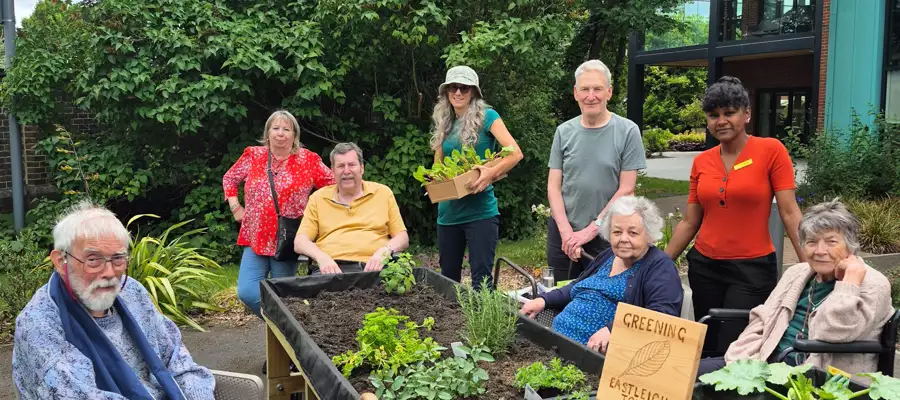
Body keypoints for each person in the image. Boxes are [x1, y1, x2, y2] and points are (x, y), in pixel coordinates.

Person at [12, 201, 215, 399]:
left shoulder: (133, 292)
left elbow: (179, 363)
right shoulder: (39, 323)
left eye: (118, 258)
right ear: (60, 260)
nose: (109, 273)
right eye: (93, 260)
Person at [664, 76, 805, 353]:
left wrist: (810, 267)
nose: (721, 121)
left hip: (751, 271)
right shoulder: (702, 161)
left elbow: (790, 212)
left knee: (733, 348)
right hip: (704, 267)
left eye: (729, 113)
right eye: (713, 115)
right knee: (705, 346)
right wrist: (659, 262)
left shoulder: (771, 151)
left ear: (747, 114)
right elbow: (691, 220)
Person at [696, 199, 893, 377]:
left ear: (850, 246)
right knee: (683, 371)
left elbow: (833, 335)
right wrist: (740, 357)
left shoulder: (873, 285)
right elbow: (764, 318)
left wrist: (848, 285)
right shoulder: (797, 273)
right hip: (765, 363)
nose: (820, 251)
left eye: (831, 242)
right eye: (812, 242)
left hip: (818, 376)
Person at [520, 196, 683, 353]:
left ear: (648, 235)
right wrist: (543, 300)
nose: (623, 239)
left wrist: (614, 330)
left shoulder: (659, 267)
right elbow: (576, 287)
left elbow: (662, 317)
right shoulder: (608, 256)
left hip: (597, 358)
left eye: (633, 233)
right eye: (617, 232)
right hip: (558, 345)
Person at [222, 110, 334, 317]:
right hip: (255, 237)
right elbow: (230, 178)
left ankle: (285, 334)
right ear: (267, 133)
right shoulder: (254, 155)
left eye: (286, 129)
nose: (280, 133)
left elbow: (333, 186)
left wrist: (317, 217)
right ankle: (287, 327)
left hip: (287, 238)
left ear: (294, 135)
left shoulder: (308, 160)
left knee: (282, 294)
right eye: (275, 128)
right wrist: (236, 207)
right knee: (247, 291)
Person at [547, 59, 647, 284]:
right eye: (585, 89)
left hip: (606, 233)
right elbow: (553, 187)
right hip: (562, 233)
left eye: (597, 89)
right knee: (556, 297)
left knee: (600, 297)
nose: (590, 96)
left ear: (609, 92)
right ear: (575, 93)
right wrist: (566, 233)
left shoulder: (628, 131)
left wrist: (589, 231)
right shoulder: (563, 132)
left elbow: (627, 189)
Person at [430, 65, 523, 290]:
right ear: (446, 92)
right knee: (448, 282)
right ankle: (452, 325)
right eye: (453, 87)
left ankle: (482, 325)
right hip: (449, 214)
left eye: (464, 87)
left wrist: (491, 172)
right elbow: (437, 167)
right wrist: (434, 183)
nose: (458, 92)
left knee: (482, 281)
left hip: (480, 212)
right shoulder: (445, 122)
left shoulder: (488, 116)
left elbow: (515, 152)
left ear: (473, 92)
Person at [294, 142, 409, 274]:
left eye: (352, 165)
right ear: (332, 170)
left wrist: (385, 250)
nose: (346, 171)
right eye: (341, 166)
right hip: (331, 270)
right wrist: (321, 257)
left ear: (362, 168)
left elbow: (402, 237)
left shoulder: (383, 193)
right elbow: (300, 242)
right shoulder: (318, 198)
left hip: (375, 267)